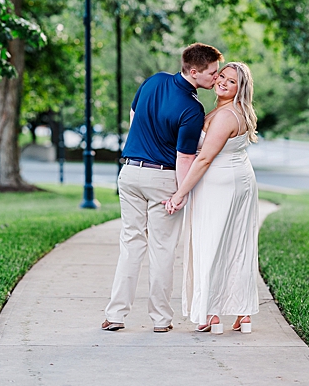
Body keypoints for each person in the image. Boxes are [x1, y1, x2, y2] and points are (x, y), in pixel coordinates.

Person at [101, 42, 222, 332]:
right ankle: (160, 320)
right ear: (194, 72)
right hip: (163, 178)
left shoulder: (153, 81)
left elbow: (134, 117)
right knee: (162, 249)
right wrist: (182, 193)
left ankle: (115, 316)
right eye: (213, 73)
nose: (216, 78)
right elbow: (184, 157)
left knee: (131, 244)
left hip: (129, 172)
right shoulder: (192, 109)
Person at [164, 61, 260, 335]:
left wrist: (180, 193)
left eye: (231, 81)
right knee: (237, 246)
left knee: (211, 244)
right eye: (222, 77)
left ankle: (211, 313)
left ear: (240, 88)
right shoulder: (233, 111)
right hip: (238, 179)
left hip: (220, 184)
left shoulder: (225, 116)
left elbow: (205, 157)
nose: (222, 82)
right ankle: (243, 313)